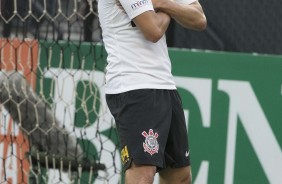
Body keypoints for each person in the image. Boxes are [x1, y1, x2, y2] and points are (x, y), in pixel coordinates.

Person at [98, 0, 206, 183]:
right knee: (143, 175)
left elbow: (199, 19)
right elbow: (153, 31)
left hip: (165, 84)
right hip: (133, 85)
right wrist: (173, 7)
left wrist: (163, 3)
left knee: (181, 176)